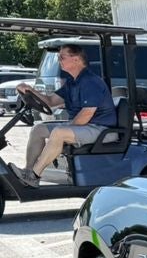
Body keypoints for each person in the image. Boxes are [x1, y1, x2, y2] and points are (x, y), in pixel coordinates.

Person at [15, 44, 118, 186]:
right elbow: (50, 101)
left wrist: (64, 127)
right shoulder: (72, 82)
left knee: (59, 132)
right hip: (85, 127)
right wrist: (30, 91)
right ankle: (27, 171)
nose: (59, 60)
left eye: (62, 57)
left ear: (76, 59)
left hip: (101, 129)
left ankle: (34, 176)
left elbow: (86, 114)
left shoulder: (90, 81)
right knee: (38, 129)